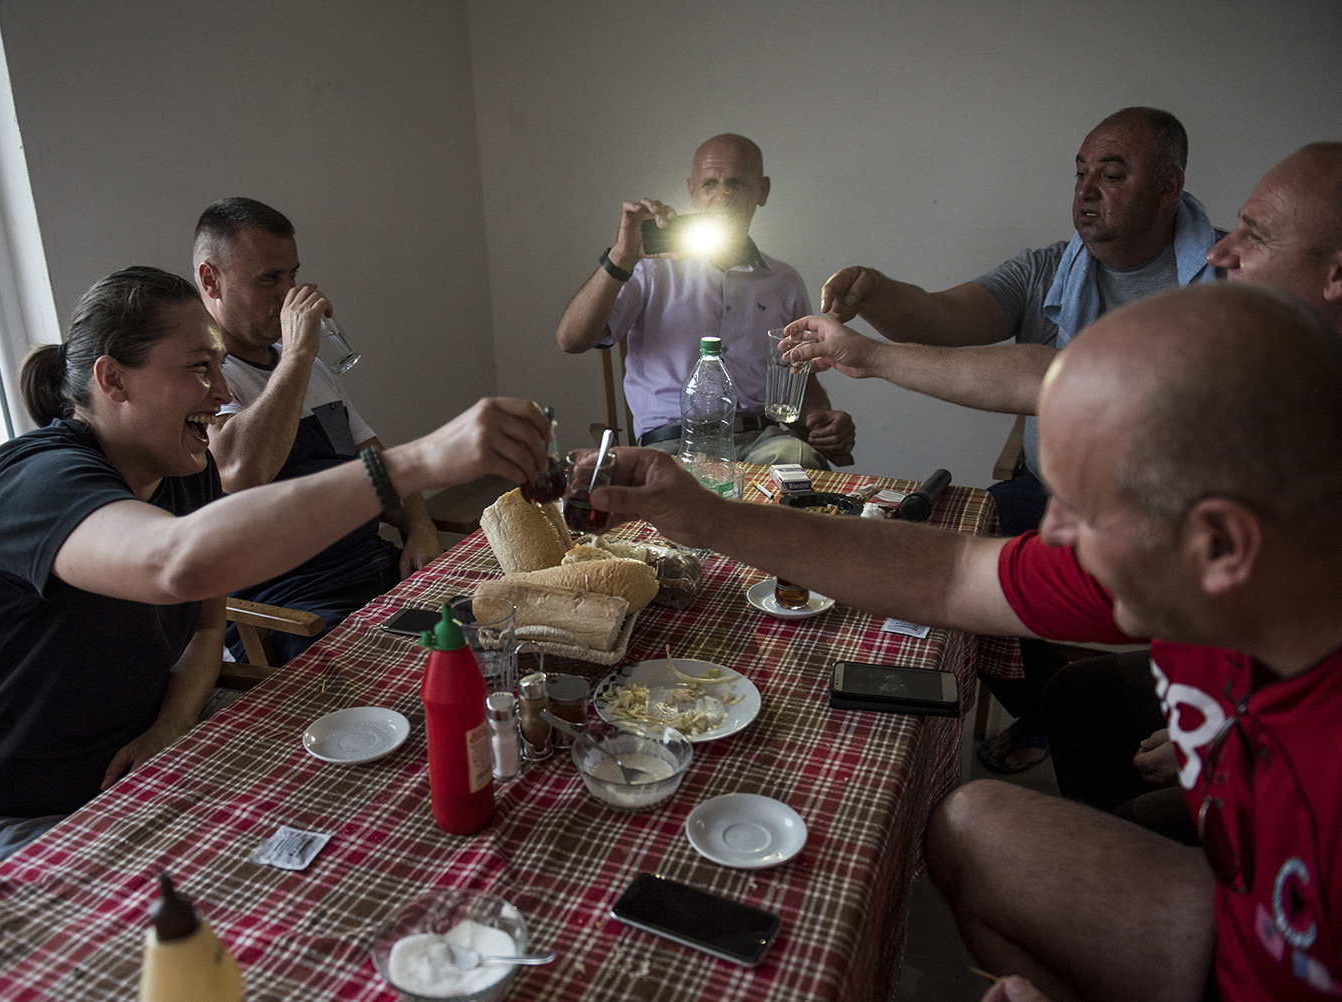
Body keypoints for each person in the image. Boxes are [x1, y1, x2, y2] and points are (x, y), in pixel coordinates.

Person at [592, 282, 1342, 1000]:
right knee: (965, 826)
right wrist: (708, 519)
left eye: (1084, 512)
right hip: (1240, 920)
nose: (1051, 535)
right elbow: (954, 572)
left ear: (1220, 544)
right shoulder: (1224, 574)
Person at [0, 265, 550, 862]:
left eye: (216, 367)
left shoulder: (183, 472)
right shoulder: (34, 482)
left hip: (132, 782)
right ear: (111, 378)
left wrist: (172, 724)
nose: (216, 393)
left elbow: (207, 624)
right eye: (197, 370)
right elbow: (176, 564)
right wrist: (418, 462)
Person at [789, 107, 1222, 773]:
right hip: (1053, 494)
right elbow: (942, 315)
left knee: (941, 573)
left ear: (1169, 186)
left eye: (1110, 176)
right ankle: (1052, 713)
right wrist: (877, 293)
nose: (1084, 191)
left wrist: (872, 356)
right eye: (1080, 173)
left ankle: (1103, 727)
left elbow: (1044, 380)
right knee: (928, 542)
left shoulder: (1228, 281)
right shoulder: (1049, 268)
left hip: (1172, 525)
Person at [1041, 141, 1342, 843]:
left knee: (1090, 836)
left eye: (1256, 236)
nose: (1220, 253)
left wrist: (1222, 741)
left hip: (1288, 734)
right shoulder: (1282, 369)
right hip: (1243, 673)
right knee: (1081, 696)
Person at [193, 197, 442, 664]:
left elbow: (376, 462)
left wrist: (421, 528)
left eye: (292, 274)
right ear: (211, 280)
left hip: (375, 573)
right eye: (269, 279)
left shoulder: (307, 368)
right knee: (413, 681)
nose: (290, 294)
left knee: (491, 637)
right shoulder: (206, 377)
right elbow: (241, 472)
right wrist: (298, 354)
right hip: (295, 608)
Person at [554, 133, 855, 469]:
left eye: (737, 184)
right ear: (692, 192)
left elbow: (802, 375)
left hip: (761, 441)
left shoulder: (783, 281)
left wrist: (823, 422)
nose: (722, 196)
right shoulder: (650, 267)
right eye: (710, 183)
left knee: (799, 464)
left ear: (763, 191)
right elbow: (571, 340)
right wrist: (621, 257)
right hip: (671, 444)